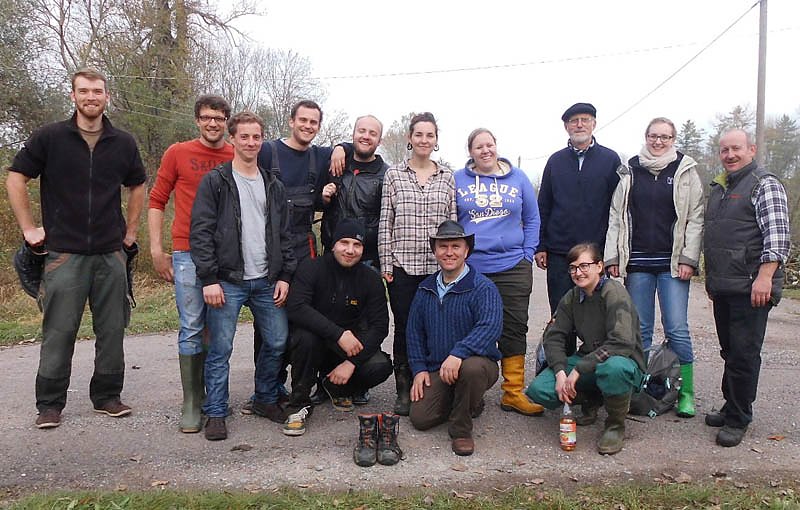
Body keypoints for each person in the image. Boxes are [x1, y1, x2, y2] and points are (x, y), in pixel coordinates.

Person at [6, 68, 146, 429]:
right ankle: (50, 404)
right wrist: (28, 228)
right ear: (73, 96)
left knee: (113, 329)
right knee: (60, 330)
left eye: (97, 91)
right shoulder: (50, 138)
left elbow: (138, 185)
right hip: (63, 254)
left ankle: (107, 396)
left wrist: (130, 231)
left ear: (106, 96)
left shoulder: (124, 143)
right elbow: (16, 177)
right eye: (83, 91)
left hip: (110, 253)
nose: (91, 97)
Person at [190, 111, 296, 441]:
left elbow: (285, 234)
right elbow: (201, 231)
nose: (251, 142)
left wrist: (285, 276)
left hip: (267, 280)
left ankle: (265, 398)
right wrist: (208, 278)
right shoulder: (216, 181)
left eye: (256, 137)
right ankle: (216, 412)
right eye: (244, 137)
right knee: (221, 348)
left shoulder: (273, 184)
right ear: (232, 139)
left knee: (278, 341)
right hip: (228, 280)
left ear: (261, 140)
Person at [604, 117, 704, 418]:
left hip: (673, 263)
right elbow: (617, 217)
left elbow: (695, 217)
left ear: (673, 139)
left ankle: (686, 393)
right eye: (653, 136)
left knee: (676, 327)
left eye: (665, 137)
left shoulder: (685, 170)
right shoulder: (630, 169)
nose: (658, 142)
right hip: (638, 263)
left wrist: (689, 258)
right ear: (645, 137)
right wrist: (613, 258)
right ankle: (639, 388)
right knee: (641, 330)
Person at [243, 100, 338, 414]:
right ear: (291, 121)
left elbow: (356, 148)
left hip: (304, 247)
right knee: (267, 322)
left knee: (302, 315)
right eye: (303, 121)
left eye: (314, 122)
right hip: (268, 248)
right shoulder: (268, 151)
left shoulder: (320, 156)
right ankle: (267, 389)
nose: (308, 126)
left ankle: (295, 385)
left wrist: (339, 148)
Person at [147, 95, 233, 434]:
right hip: (186, 253)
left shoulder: (235, 154)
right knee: (193, 325)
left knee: (219, 327)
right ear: (197, 120)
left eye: (219, 118)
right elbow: (157, 199)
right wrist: (156, 250)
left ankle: (215, 398)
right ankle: (192, 402)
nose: (213, 123)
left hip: (226, 256)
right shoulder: (178, 153)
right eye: (207, 117)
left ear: (227, 121)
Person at [703, 129, 790, 447]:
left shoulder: (764, 183)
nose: (730, 154)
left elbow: (778, 236)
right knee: (730, 352)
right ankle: (731, 406)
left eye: (736, 148)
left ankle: (740, 418)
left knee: (744, 354)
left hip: (752, 287)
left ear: (751, 150)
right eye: (724, 149)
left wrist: (765, 277)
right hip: (725, 285)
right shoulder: (720, 187)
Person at [454, 128, 542, 416]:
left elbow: (532, 218)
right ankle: (473, 392)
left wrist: (527, 255)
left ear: (496, 147)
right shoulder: (457, 180)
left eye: (489, 145)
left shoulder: (518, 178)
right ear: (470, 152)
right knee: (472, 326)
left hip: (513, 266)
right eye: (478, 146)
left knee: (514, 327)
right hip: (473, 267)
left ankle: (513, 392)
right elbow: (451, 221)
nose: (485, 150)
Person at [526, 243, 646, 455]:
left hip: (624, 361)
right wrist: (561, 372)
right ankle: (594, 397)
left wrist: (580, 369)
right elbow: (553, 337)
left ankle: (615, 425)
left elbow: (622, 341)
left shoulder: (614, 292)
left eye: (584, 266)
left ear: (599, 266)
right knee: (540, 390)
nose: (578, 272)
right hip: (591, 360)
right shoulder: (572, 297)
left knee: (613, 369)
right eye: (573, 268)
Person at [378, 112, 456, 416]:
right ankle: (404, 387)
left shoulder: (447, 176)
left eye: (430, 135)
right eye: (419, 134)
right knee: (406, 328)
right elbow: (386, 222)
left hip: (439, 268)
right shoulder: (395, 175)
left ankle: (440, 385)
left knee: (439, 327)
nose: (424, 140)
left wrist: (455, 262)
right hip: (403, 266)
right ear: (410, 138)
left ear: (436, 140)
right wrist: (386, 262)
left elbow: (454, 223)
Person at [283, 220, 393, 436]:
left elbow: (380, 327)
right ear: (333, 244)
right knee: (305, 338)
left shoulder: (371, 279)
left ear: (363, 249)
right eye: (344, 242)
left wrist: (352, 363)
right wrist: (338, 333)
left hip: (347, 350)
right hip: (314, 343)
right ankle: (299, 404)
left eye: (357, 245)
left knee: (380, 366)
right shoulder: (311, 268)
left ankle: (336, 387)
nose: (350, 250)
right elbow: (296, 308)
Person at [407, 220, 502, 456]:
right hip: (439, 369)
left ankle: (461, 430)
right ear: (435, 251)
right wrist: (419, 369)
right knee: (420, 418)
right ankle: (469, 400)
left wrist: (458, 353)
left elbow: (490, 326)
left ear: (466, 251)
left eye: (456, 246)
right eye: (443, 247)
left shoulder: (483, 287)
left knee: (471, 370)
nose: (449, 252)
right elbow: (414, 333)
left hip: (476, 364)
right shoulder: (425, 289)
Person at [536, 103, 621, 315]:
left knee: (596, 315)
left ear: (594, 124)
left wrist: (614, 252)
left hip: (595, 252)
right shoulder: (555, 161)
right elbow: (543, 206)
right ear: (566, 127)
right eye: (574, 121)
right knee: (561, 313)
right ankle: (561, 350)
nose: (579, 125)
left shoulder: (610, 160)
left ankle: (593, 350)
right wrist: (541, 246)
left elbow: (618, 209)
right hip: (559, 253)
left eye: (585, 120)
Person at [322, 115, 388, 269]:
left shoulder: (387, 175)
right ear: (353, 135)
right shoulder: (336, 165)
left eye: (372, 133)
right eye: (361, 131)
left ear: (380, 141)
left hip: (367, 259)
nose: (366, 136)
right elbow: (319, 205)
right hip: (332, 252)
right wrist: (324, 198)